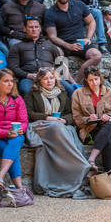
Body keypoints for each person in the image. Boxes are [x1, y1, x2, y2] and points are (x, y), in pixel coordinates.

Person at [23, 66, 92, 198]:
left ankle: (72, 172)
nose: (49, 81)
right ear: (39, 81)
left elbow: (71, 114)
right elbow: (28, 114)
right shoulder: (32, 94)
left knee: (66, 129)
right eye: (45, 78)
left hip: (59, 125)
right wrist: (48, 118)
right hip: (40, 125)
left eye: (51, 77)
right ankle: (82, 165)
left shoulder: (62, 93)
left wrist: (64, 120)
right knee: (56, 127)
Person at [71, 68, 111, 175]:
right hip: (90, 130)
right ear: (86, 80)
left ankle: (91, 159)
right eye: (90, 80)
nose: (94, 83)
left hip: (107, 127)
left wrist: (109, 115)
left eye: (96, 79)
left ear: (100, 78)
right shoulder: (78, 94)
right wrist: (88, 119)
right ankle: (109, 174)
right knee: (108, 142)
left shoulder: (109, 92)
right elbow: (76, 118)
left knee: (110, 125)